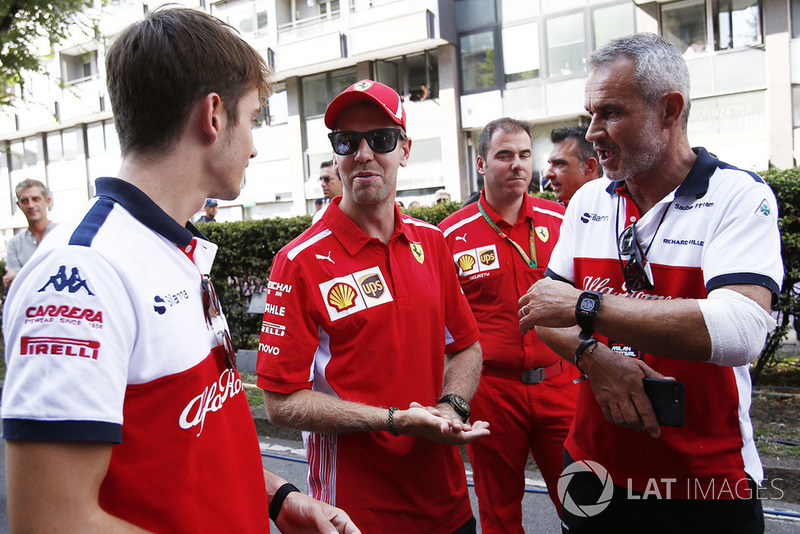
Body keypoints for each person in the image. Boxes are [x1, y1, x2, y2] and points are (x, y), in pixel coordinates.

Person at [1, 7, 358, 534]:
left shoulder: (170, 249)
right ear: (214, 115)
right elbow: (52, 521)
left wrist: (278, 499)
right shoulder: (84, 272)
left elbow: (194, 435)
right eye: (253, 117)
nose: (256, 145)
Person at [518, 33, 782, 533]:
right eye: (590, 114)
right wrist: (593, 357)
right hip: (593, 466)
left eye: (611, 113)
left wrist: (588, 307)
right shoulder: (589, 201)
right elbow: (542, 310)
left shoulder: (737, 196)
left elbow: (742, 330)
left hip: (705, 479)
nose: (593, 132)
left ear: (670, 109)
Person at [257, 79, 490, 533]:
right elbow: (280, 404)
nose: (362, 154)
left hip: (449, 508)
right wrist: (396, 421)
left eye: (380, 139)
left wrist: (452, 407)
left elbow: (466, 345)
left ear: (404, 149)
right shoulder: (298, 261)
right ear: (335, 155)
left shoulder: (433, 242)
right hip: (352, 517)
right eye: (347, 141)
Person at [439, 118, 577, 531]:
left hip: (561, 384)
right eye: (504, 156)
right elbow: (443, 325)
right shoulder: (451, 235)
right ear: (481, 164)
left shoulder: (563, 221)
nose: (518, 165)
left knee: (584, 503)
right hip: (493, 393)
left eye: (524, 155)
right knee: (499, 510)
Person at [3, 178, 57, 289]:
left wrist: (21, 277)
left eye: (36, 199)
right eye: (24, 201)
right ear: (18, 205)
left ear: (47, 201)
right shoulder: (14, 244)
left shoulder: (63, 234)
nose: (30, 205)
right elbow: (13, 285)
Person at [543, 126, 602, 206]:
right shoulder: (557, 214)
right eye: (550, 164)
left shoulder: (618, 209)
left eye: (559, 164)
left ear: (589, 166)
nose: (548, 174)